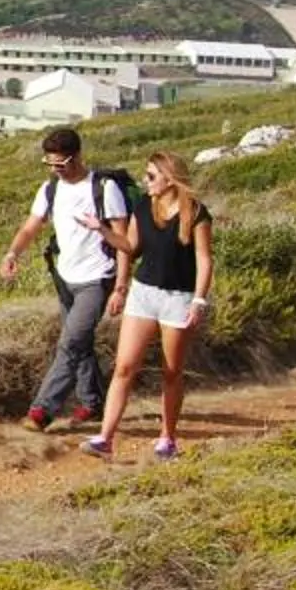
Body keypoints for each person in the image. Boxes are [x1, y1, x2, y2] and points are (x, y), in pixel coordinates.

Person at [82, 152, 217, 461]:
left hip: (178, 299)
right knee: (124, 367)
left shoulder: (196, 213)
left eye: (152, 176)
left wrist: (199, 300)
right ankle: (105, 438)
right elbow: (130, 247)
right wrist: (101, 229)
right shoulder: (144, 206)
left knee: (171, 372)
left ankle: (167, 438)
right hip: (143, 294)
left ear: (170, 178)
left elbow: (204, 259)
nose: (146, 181)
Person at [0, 127, 131, 430]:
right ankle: (93, 403)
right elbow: (30, 227)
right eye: (50, 164)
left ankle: (42, 411)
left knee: (70, 343)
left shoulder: (104, 188)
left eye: (62, 163)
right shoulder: (50, 189)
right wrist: (12, 254)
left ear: (78, 155)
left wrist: (121, 287)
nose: (56, 169)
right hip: (65, 277)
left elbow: (124, 242)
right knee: (80, 343)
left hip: (97, 279)